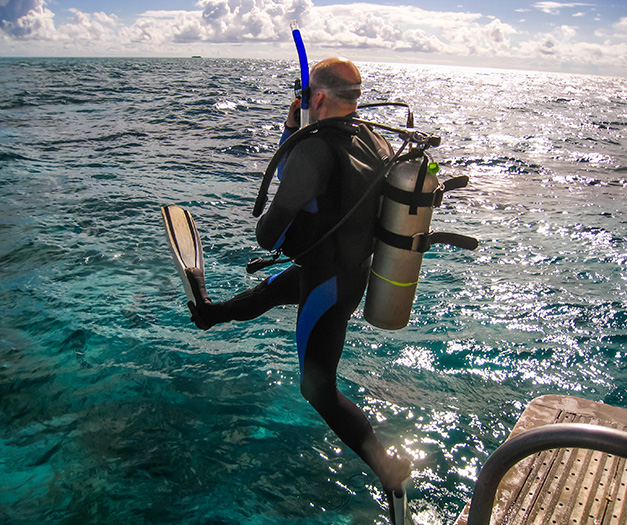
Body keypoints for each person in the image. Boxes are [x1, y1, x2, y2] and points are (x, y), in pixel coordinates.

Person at [186, 57, 412, 506]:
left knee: (317, 388)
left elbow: (270, 231)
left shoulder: (315, 148)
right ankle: (211, 315)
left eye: (308, 94)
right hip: (347, 269)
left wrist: (294, 139)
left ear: (319, 97)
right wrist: (297, 131)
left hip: (328, 283)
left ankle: (392, 476)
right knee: (273, 292)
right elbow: (327, 196)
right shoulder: (374, 140)